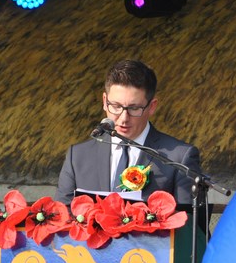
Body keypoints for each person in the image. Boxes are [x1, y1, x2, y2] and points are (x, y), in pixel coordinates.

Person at [55, 60, 202, 205]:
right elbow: (62, 214)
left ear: (152, 106)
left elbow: (188, 219)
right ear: (105, 101)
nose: (124, 118)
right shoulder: (78, 156)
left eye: (134, 108)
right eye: (116, 106)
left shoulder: (179, 158)